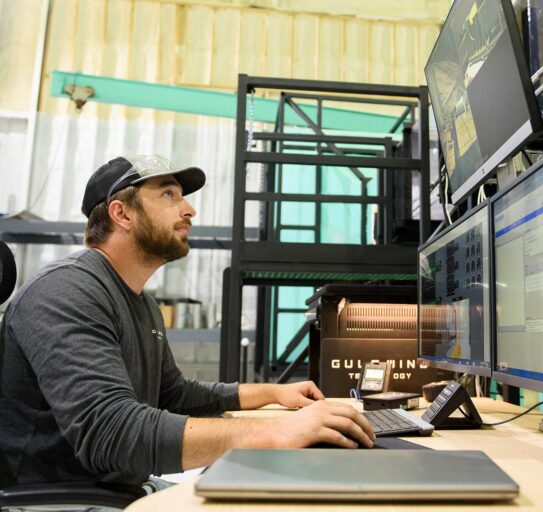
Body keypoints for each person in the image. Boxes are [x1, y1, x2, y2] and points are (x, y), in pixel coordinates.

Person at [0, 155, 375, 487]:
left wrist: (273, 394)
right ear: (121, 213)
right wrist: (278, 430)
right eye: (168, 194)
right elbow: (111, 433)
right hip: (61, 497)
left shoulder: (140, 301)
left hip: (117, 488)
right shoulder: (66, 290)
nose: (189, 209)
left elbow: (174, 396)